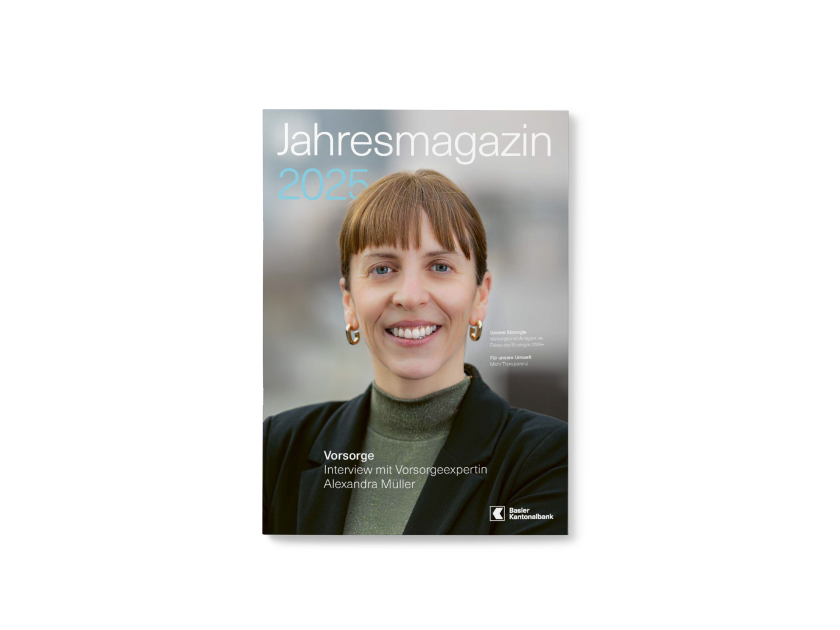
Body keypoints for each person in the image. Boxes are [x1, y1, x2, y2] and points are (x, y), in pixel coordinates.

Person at [262, 169, 568, 535]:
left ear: (480, 297)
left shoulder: (548, 458)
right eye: (382, 268)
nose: (410, 296)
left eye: (440, 266)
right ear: (349, 302)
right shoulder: (277, 448)